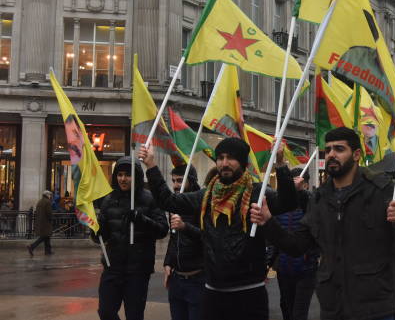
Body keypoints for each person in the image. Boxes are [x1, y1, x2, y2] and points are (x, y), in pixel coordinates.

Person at [250, 127, 395, 320]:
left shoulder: (381, 189)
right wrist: (268, 222)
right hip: (333, 307)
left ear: (356, 155)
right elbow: (296, 246)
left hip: (374, 307)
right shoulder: (319, 198)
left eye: (339, 149)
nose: (331, 155)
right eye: (328, 150)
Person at [139, 137, 297, 320]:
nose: (224, 163)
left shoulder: (257, 193)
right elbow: (168, 201)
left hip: (248, 293)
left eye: (231, 157)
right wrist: (151, 165)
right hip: (213, 293)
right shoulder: (207, 196)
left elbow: (288, 202)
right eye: (220, 158)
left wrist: (280, 164)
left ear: (243, 162)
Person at [93, 156, 169, 320]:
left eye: (128, 175)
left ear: (137, 177)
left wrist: (142, 220)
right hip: (113, 267)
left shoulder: (149, 199)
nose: (123, 179)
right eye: (119, 175)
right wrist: (96, 231)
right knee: (106, 312)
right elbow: (102, 235)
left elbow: (163, 230)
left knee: (134, 315)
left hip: (138, 269)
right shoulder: (108, 200)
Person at [273, 168, 319, 320]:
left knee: (299, 313)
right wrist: (270, 262)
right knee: (286, 308)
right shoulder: (279, 206)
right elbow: (273, 237)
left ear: (306, 184)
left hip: (306, 269)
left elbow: (314, 215)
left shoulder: (310, 202)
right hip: (284, 268)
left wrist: (300, 193)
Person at [162, 164, 205, 320]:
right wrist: (168, 262)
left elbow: (209, 238)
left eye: (180, 180)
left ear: (191, 180)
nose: (175, 185)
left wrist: (185, 227)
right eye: (173, 181)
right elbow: (174, 238)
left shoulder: (202, 204)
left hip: (198, 279)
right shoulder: (174, 205)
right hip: (177, 279)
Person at [27, 190, 54, 256]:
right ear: (47, 195)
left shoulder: (40, 201)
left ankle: (48, 251)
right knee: (44, 237)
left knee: (47, 237)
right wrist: (51, 219)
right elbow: (49, 213)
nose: (50, 196)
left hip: (40, 222)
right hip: (46, 222)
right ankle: (32, 246)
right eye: (50, 195)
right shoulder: (47, 202)